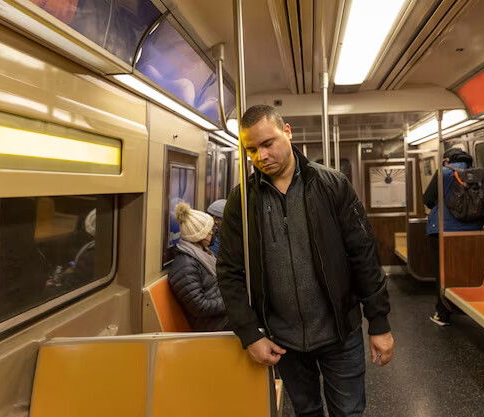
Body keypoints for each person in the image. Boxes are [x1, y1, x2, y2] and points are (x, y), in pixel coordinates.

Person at [217, 105, 394, 417]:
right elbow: (229, 271)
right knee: (306, 411)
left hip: (339, 330)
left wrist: (378, 321)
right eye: (251, 149)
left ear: (287, 132)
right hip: (283, 339)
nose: (261, 156)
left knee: (349, 412)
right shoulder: (242, 200)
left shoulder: (332, 185)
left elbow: (363, 255)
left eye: (268, 143)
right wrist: (249, 333)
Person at [423, 148, 484, 326]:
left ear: (446, 160)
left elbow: (427, 199)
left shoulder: (444, 173)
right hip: (474, 229)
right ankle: (469, 309)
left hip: (442, 229)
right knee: (466, 271)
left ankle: (443, 314)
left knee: (442, 273)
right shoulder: (478, 173)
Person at [168, 202, 228, 332]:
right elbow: (199, 307)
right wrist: (230, 303)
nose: (213, 233)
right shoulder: (184, 266)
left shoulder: (204, 253)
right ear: (199, 236)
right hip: (213, 325)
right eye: (209, 232)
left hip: (221, 316)